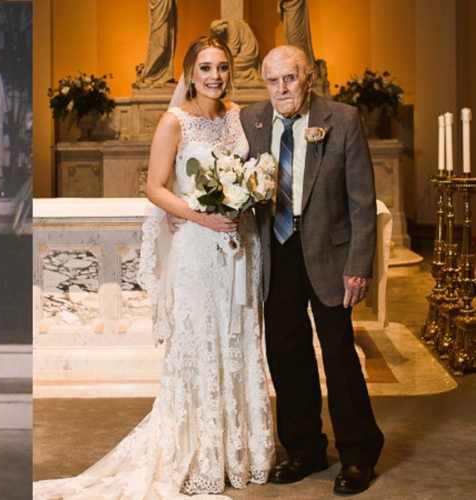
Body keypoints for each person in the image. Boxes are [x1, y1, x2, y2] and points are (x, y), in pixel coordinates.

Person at [34, 35, 274, 499]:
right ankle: (198, 451)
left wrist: (247, 194)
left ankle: (236, 453)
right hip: (198, 246)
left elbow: (251, 173)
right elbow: (155, 187)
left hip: (240, 245)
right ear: (189, 71)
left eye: (222, 67)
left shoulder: (238, 116)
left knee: (238, 339)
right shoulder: (173, 121)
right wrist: (201, 215)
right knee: (200, 344)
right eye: (205, 68)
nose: (215, 76)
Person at [239, 45, 382, 495]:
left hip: (330, 255)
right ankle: (304, 448)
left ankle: (358, 453)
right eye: (273, 80)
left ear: (308, 77)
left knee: (339, 355)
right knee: (285, 352)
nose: (281, 88)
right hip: (276, 250)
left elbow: (362, 203)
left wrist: (358, 267)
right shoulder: (252, 120)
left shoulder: (342, 118)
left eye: (290, 78)